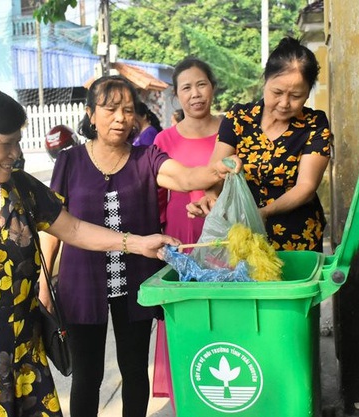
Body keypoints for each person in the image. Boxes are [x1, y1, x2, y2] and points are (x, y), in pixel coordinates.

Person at [0, 83, 181, 417]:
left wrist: (137, 243)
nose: (16, 153)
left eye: (17, 141)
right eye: (6, 143)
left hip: (27, 363)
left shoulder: (20, 187)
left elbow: (72, 228)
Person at [39, 75, 240, 417]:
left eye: (128, 110)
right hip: (81, 284)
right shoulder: (69, 162)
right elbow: (53, 228)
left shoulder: (146, 158)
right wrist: (44, 286)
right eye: (110, 109)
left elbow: (185, 178)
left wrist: (218, 170)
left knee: (134, 370)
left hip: (135, 282)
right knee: (88, 375)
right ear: (91, 114)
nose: (120, 118)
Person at [188, 36, 332, 252]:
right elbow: (215, 170)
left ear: (308, 92)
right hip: (244, 237)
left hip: (298, 238)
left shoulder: (314, 124)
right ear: (265, 80)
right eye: (277, 92)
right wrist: (210, 197)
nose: (284, 103)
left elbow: (306, 187)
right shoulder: (238, 118)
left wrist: (264, 213)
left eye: (296, 96)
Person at [151, 57, 221, 412]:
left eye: (202, 84)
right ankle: (188, 398)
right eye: (186, 88)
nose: (196, 94)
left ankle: (225, 391)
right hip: (182, 237)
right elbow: (159, 197)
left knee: (223, 311)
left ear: (213, 86)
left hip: (223, 237)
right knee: (185, 316)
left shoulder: (231, 131)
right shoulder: (164, 139)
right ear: (177, 96)